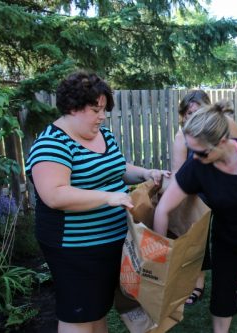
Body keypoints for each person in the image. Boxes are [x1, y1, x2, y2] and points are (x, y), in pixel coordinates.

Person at [25, 71, 170, 333]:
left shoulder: (103, 135)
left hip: (111, 242)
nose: (102, 116)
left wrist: (146, 173)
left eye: (103, 109)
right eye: (95, 110)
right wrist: (108, 197)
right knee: (78, 315)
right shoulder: (51, 144)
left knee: (97, 309)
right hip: (74, 247)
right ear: (72, 108)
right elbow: (55, 195)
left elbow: (117, 167)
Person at [154, 101, 237, 333]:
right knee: (222, 298)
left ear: (222, 142)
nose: (195, 158)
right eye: (191, 150)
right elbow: (163, 209)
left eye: (201, 152)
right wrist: (160, 255)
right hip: (226, 239)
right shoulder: (197, 166)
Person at [172, 90, 237, 305]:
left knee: (230, 234)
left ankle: (235, 281)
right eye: (187, 113)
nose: (191, 117)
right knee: (197, 237)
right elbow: (179, 172)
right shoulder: (181, 135)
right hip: (199, 193)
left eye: (196, 111)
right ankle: (198, 283)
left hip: (227, 187)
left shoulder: (226, 124)